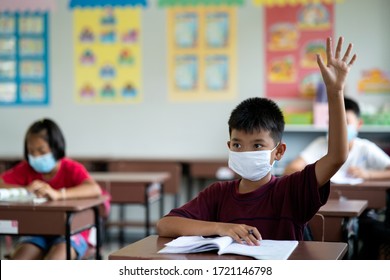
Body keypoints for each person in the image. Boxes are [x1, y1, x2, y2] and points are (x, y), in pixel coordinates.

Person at [157, 36, 357, 245]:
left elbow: (336, 156)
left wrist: (335, 92)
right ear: (229, 147)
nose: (245, 152)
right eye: (237, 145)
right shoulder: (219, 193)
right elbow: (166, 224)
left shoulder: (291, 190)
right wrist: (219, 227)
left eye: (257, 145)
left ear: (279, 152)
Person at [0, 118, 107, 260]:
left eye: (41, 150)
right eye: (31, 151)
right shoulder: (26, 168)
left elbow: (94, 189)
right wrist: (25, 190)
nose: (36, 156)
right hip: (37, 230)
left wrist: (58, 194)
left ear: (56, 147)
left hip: (70, 232)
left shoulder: (71, 168)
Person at [283, 97, 390, 180]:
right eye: (334, 122)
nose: (339, 127)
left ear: (359, 124)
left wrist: (368, 175)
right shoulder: (321, 144)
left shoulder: (365, 148)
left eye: (346, 122)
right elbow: (290, 169)